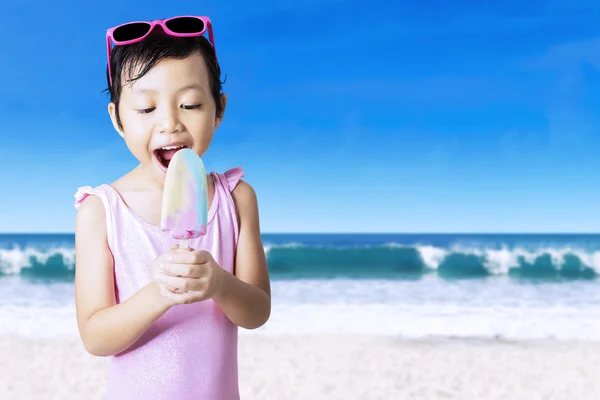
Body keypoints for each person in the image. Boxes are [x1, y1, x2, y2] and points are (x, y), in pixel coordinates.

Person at [73, 15, 271, 399]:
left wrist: (219, 283)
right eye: (146, 109)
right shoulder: (101, 211)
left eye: (190, 104)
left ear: (219, 110)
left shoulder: (237, 198)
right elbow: (96, 338)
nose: (170, 123)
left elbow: (256, 312)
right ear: (117, 119)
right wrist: (160, 292)